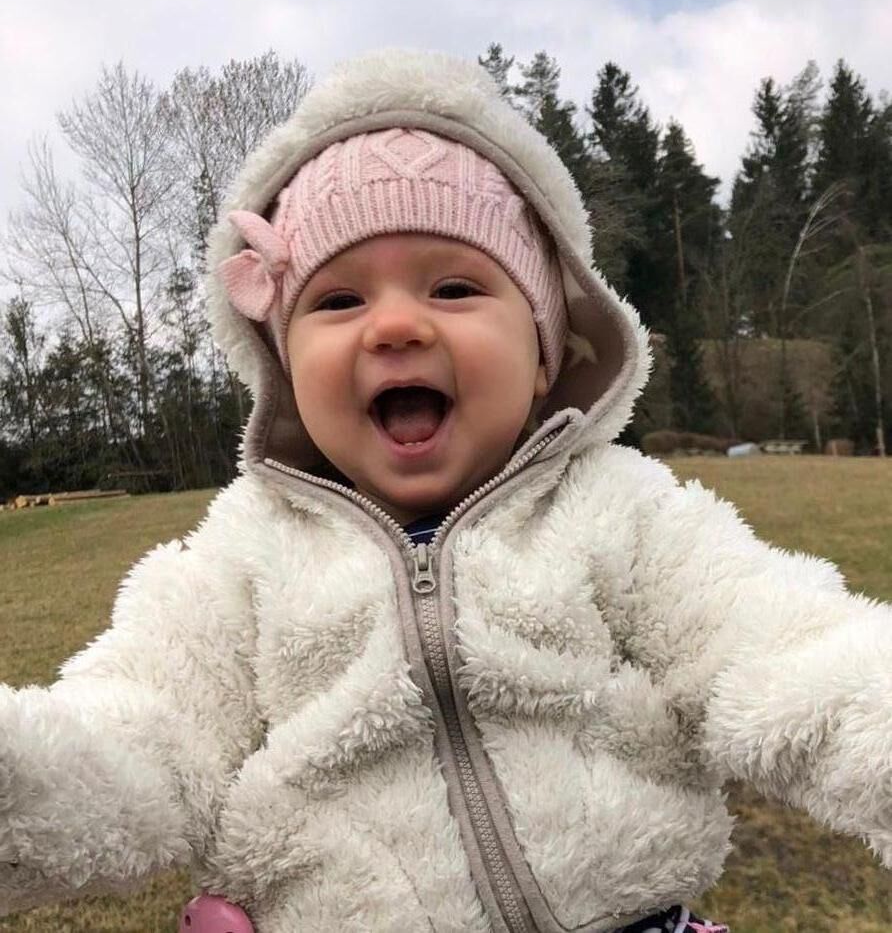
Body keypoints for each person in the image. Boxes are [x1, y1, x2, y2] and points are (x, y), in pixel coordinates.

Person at [1, 49, 890, 933]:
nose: (394, 325)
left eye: (455, 287)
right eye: (337, 302)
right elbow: (145, 728)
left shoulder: (622, 508)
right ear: (284, 371)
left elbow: (779, 646)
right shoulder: (242, 554)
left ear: (544, 355)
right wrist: (21, 785)